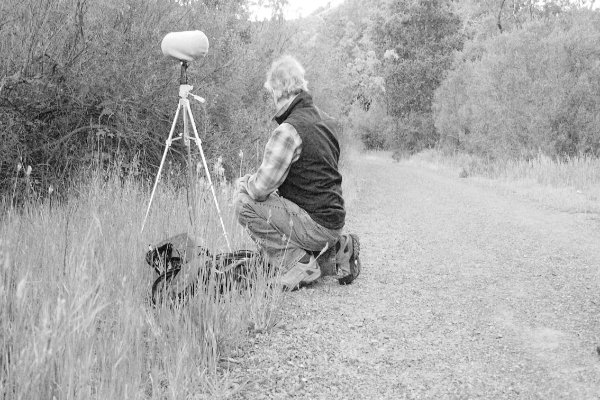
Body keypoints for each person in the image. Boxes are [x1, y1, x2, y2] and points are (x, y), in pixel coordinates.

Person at [234, 55, 360, 291]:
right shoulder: (325, 121)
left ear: (279, 90)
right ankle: (339, 250)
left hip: (314, 225)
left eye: (272, 92)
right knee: (281, 207)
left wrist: (245, 183)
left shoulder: (289, 129)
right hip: (334, 222)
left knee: (244, 204)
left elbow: (260, 190)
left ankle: (298, 264)